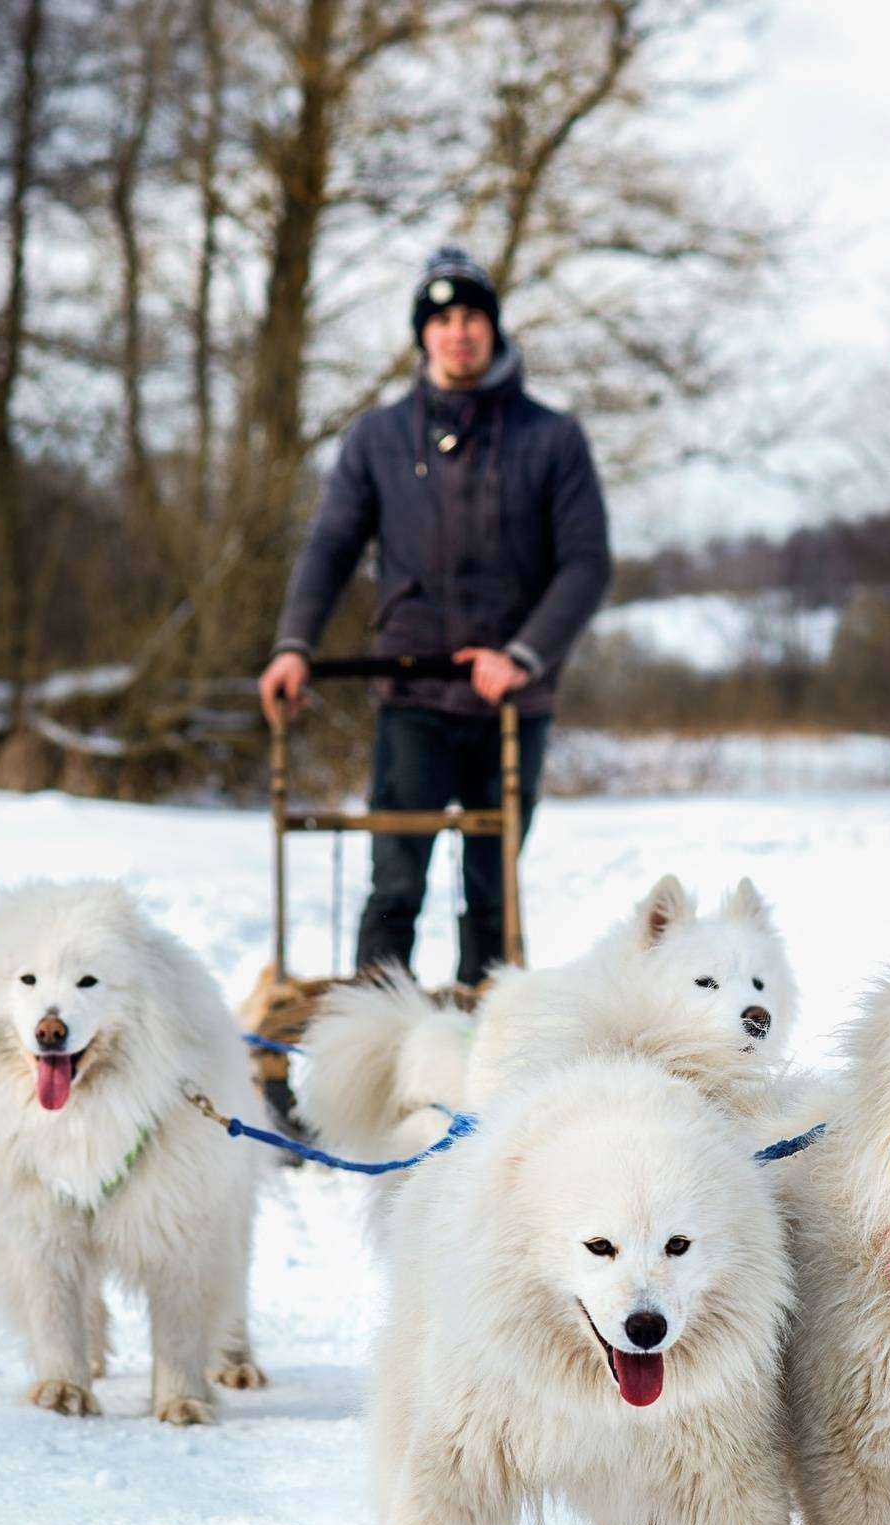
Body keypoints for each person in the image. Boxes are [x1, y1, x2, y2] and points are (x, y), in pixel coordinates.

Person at [259, 246, 611, 986]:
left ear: (494, 330)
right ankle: (368, 1059)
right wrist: (294, 645)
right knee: (395, 885)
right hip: (412, 694)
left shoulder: (551, 438)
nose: (459, 333)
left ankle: (486, 1052)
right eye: (443, 319)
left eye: (473, 317)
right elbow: (329, 548)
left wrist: (521, 654)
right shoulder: (378, 438)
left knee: (492, 895)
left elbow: (586, 564)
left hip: (511, 702)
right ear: (423, 335)